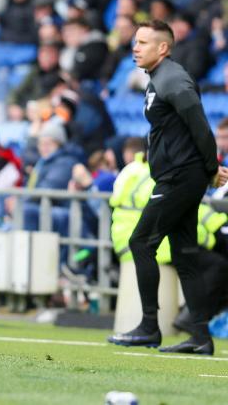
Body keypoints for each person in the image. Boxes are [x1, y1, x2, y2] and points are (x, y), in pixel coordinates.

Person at [108, 20, 228, 355]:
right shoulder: (158, 79)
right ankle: (201, 337)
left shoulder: (173, 79)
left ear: (163, 48)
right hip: (179, 175)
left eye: (143, 42)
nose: (135, 47)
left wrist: (209, 169)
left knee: (141, 242)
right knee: (185, 257)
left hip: (179, 177)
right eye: (135, 41)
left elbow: (200, 125)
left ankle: (149, 327)